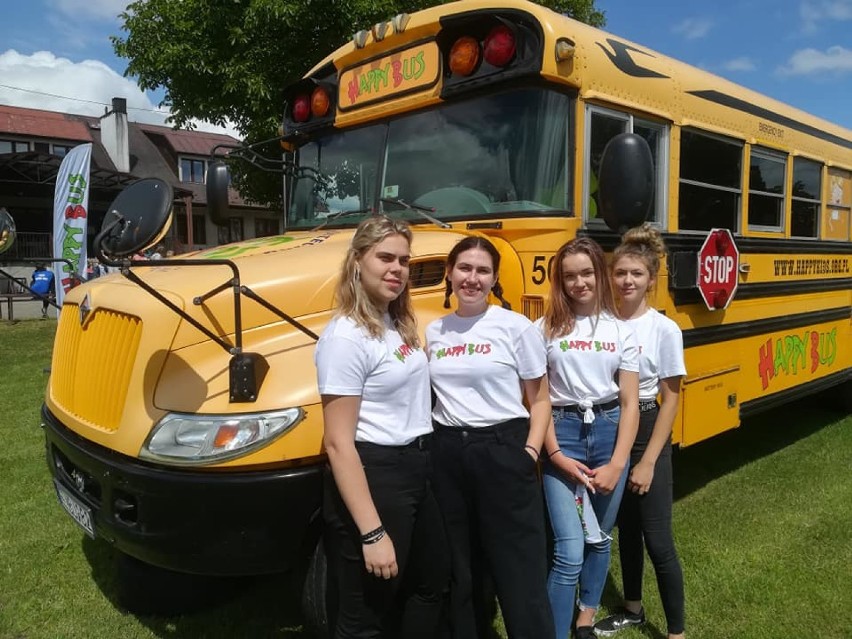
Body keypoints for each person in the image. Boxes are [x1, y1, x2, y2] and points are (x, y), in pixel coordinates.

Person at [314, 215, 448, 638]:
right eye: (385, 258)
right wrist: (372, 532)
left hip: (416, 468)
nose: (398, 270)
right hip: (376, 475)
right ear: (357, 261)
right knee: (366, 613)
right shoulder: (346, 338)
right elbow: (338, 443)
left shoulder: (396, 324)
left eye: (404, 261)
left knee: (430, 582)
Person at [427, 236, 554, 639]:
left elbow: (541, 400)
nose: (472, 278)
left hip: (504, 449)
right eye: (464, 268)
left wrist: (529, 453)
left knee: (519, 569)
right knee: (461, 569)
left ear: (495, 278)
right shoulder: (434, 331)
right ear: (449, 272)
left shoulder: (515, 327)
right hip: (448, 454)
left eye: (482, 271)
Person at [538, 237, 640, 639]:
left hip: (609, 430)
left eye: (586, 273)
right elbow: (540, 399)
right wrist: (555, 453)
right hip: (562, 434)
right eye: (568, 276)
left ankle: (585, 621)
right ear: (559, 282)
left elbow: (630, 402)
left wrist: (618, 463)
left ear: (600, 273)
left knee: (598, 538)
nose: (578, 283)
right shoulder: (543, 328)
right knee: (569, 549)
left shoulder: (621, 330)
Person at [594, 224, 686, 639]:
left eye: (636, 274)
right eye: (620, 273)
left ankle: (676, 631)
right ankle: (631, 607)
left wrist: (648, 461)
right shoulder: (601, 323)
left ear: (651, 280)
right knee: (626, 529)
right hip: (613, 425)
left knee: (657, 538)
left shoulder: (664, 330)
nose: (627, 281)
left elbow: (671, 398)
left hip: (648, 427)